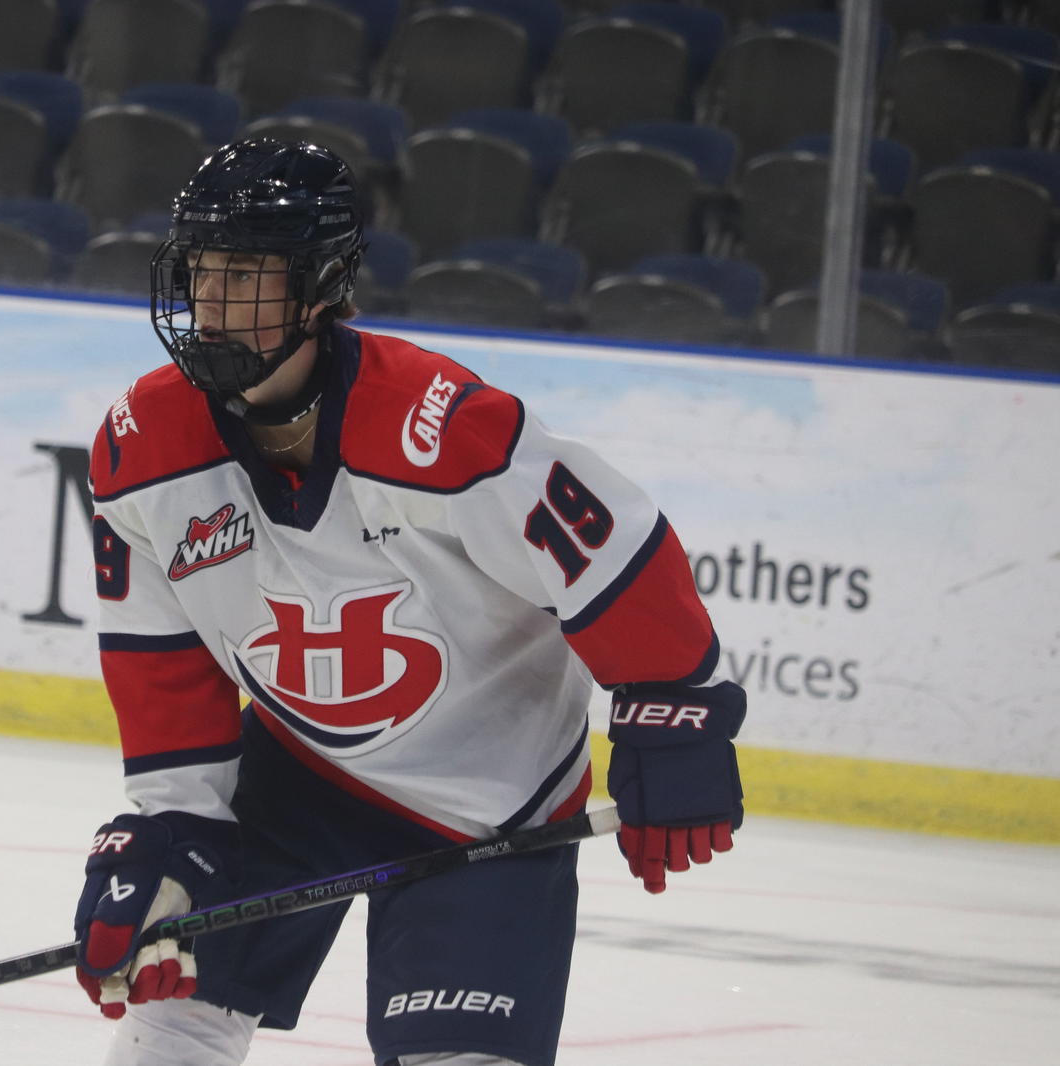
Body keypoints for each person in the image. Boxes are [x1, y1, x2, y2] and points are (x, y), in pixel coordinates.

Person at [73, 139, 746, 1066]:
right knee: (173, 1018)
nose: (214, 302)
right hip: (300, 774)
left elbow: (614, 552)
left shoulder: (441, 427)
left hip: (494, 800)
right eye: (201, 270)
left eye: (248, 274)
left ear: (318, 288)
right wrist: (172, 826)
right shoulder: (141, 448)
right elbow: (163, 672)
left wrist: (679, 708)